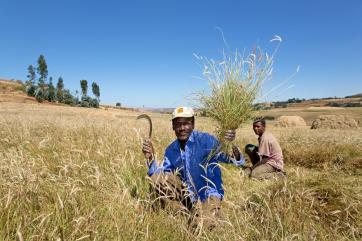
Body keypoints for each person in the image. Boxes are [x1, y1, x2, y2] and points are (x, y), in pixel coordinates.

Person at [142, 106, 245, 231]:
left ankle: (210, 212)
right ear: (173, 126)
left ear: (193, 124)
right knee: (155, 179)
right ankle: (184, 212)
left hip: (207, 194)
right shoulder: (171, 149)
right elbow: (163, 175)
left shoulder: (206, 140)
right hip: (187, 194)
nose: (182, 128)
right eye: (178, 124)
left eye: (186, 123)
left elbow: (230, 159)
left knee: (197, 228)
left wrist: (230, 145)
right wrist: (151, 158)